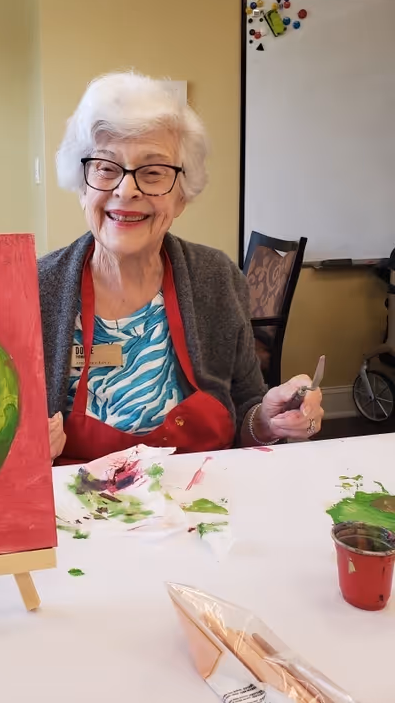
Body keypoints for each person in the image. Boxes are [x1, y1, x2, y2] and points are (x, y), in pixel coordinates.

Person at [38, 72, 323, 464]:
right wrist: (23, 451)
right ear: (82, 186)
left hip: (199, 506)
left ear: (181, 196)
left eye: (153, 172)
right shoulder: (35, 289)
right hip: (81, 516)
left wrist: (269, 421)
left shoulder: (217, 277)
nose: (126, 190)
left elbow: (246, 410)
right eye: (106, 168)